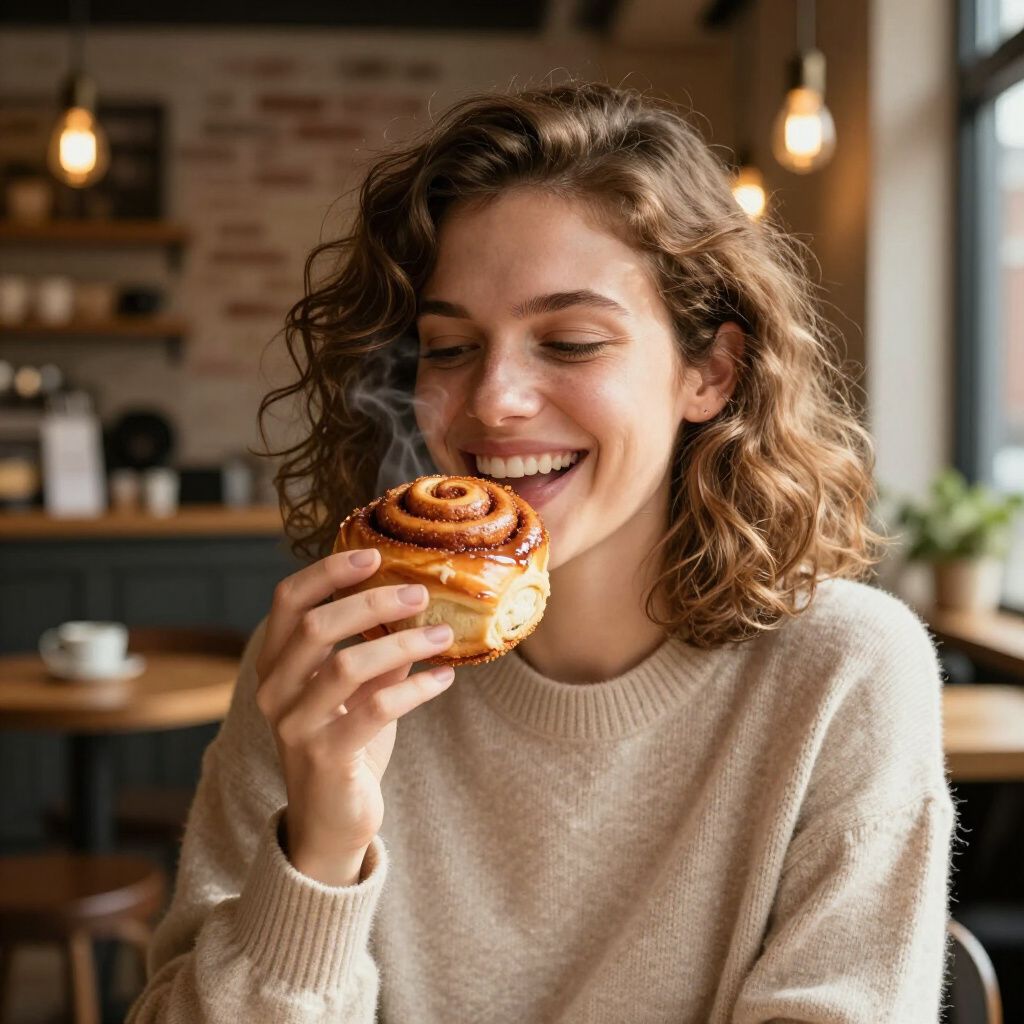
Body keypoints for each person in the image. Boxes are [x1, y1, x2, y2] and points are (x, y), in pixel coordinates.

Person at [126, 80, 957, 1023]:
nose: (493, 402)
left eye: (568, 341)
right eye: (447, 349)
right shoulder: (332, 674)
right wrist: (319, 851)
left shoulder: (842, 674)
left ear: (711, 372)